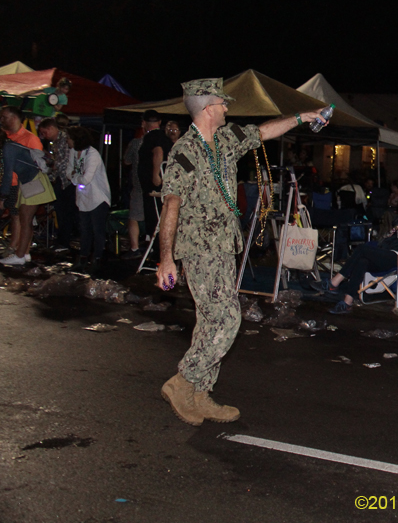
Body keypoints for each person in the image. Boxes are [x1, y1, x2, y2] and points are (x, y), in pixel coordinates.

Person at [156, 78, 328, 426]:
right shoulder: (184, 152)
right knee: (228, 318)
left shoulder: (225, 139)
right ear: (207, 108)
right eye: (222, 102)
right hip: (200, 248)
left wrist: (302, 117)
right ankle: (182, 381)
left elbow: (264, 132)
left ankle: (201, 394)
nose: (227, 106)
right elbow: (171, 204)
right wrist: (166, 257)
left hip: (223, 245)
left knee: (209, 323)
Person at [318, 188, 398, 314]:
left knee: (362, 249)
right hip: (387, 253)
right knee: (362, 261)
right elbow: (394, 229)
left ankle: (334, 282)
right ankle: (347, 302)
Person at [0, 106, 47, 265]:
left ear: (14, 118)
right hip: (22, 182)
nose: (2, 120)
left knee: (23, 218)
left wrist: (4, 195)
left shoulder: (25, 140)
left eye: (4, 117)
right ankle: (21, 252)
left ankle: (18, 252)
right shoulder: (8, 139)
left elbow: (38, 162)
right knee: (20, 217)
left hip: (27, 183)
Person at [66, 126, 111, 274]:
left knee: (97, 230)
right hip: (83, 198)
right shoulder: (73, 152)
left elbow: (85, 179)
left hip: (98, 198)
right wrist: (76, 178)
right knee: (84, 229)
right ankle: (83, 257)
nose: (68, 140)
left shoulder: (93, 155)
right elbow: (69, 172)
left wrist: (75, 177)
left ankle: (97, 258)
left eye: (69, 138)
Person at [37, 117, 77, 253]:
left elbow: (65, 162)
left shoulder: (64, 140)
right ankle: (62, 240)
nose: (44, 136)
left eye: (44, 132)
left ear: (51, 129)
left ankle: (65, 241)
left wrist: (52, 164)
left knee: (66, 212)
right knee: (60, 211)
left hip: (68, 181)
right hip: (61, 180)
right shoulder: (55, 142)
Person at [138, 109, 172, 241]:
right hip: (158, 185)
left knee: (155, 216)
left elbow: (158, 152)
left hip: (154, 186)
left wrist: (156, 174)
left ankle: (156, 246)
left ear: (144, 123)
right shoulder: (164, 137)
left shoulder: (152, 137)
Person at [122, 120, 146, 258]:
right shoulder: (164, 142)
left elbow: (126, 160)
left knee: (134, 217)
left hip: (140, 186)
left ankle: (135, 247)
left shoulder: (136, 143)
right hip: (156, 185)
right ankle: (150, 245)